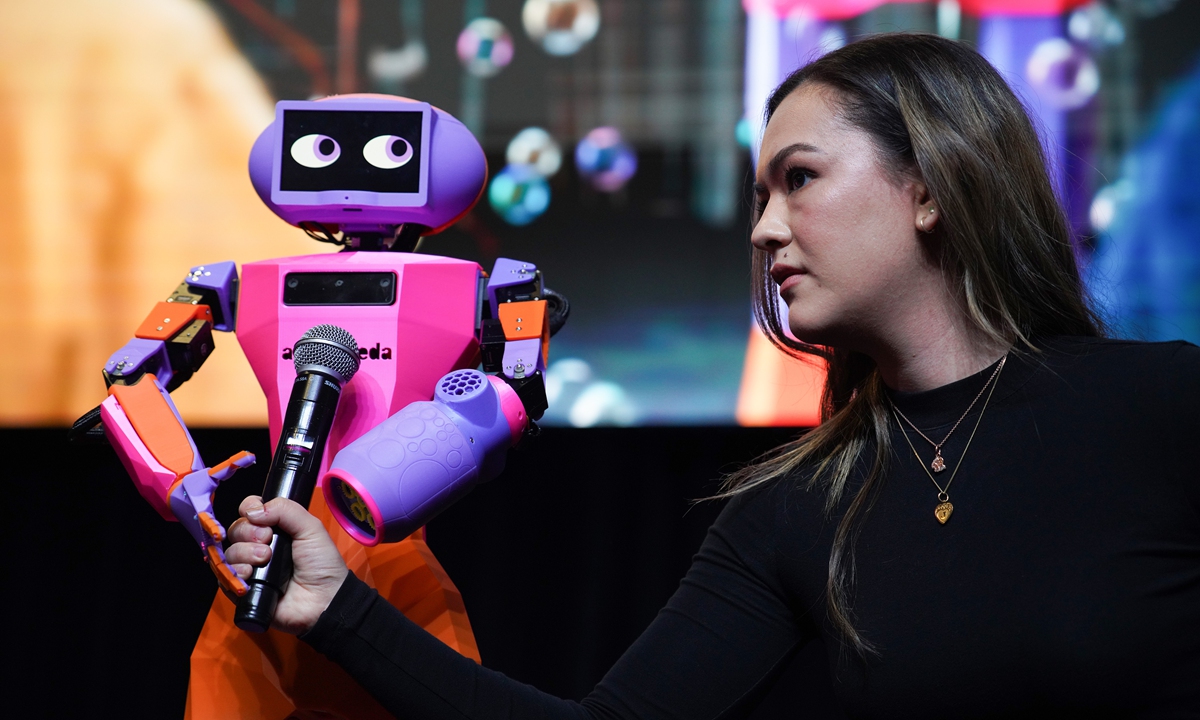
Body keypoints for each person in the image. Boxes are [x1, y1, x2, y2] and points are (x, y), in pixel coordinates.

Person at [224, 33, 1200, 718]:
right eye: (760, 191)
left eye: (801, 179)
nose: (763, 228)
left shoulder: (1160, 407)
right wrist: (336, 609)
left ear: (931, 187)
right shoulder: (797, 507)